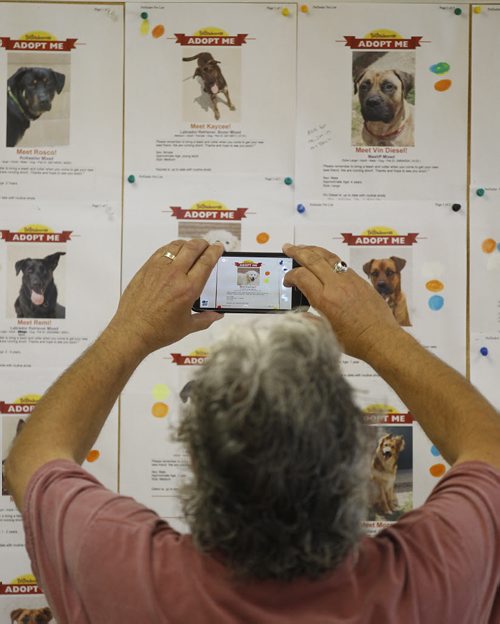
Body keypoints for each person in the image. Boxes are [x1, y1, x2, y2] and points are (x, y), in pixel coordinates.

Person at [4, 239, 500, 624]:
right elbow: (491, 451)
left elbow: (32, 460)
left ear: (196, 463)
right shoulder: (436, 582)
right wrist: (378, 336)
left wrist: (130, 330)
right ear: (355, 459)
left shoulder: (122, 574)